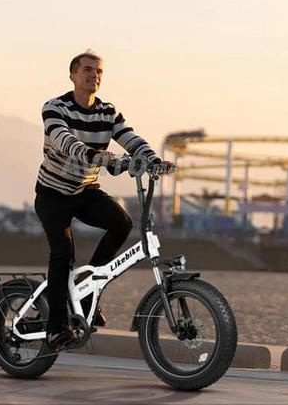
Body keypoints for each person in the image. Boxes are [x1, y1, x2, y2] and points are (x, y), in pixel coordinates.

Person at [34, 51, 173, 352]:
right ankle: (56, 327)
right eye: (87, 69)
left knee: (122, 223)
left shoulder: (108, 112)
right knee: (62, 253)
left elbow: (130, 138)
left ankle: (87, 291)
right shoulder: (55, 107)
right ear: (73, 75)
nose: (93, 75)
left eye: (98, 72)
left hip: (85, 190)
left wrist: (153, 160)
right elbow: (63, 140)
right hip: (53, 194)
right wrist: (94, 155)